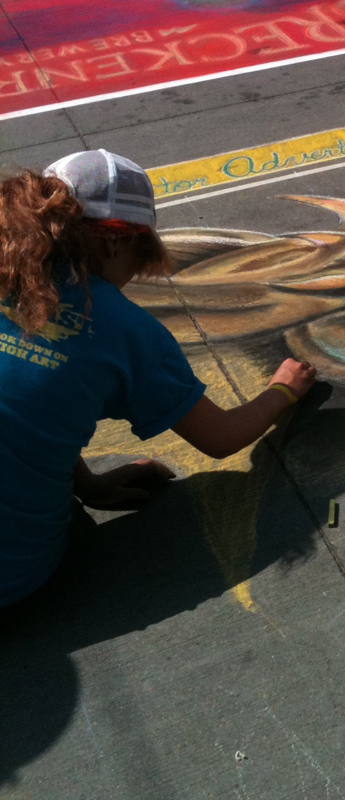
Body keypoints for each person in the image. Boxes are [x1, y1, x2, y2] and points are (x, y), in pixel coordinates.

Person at [0, 149, 316, 609]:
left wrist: (87, 487)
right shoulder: (121, 328)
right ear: (115, 242)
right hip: (14, 572)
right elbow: (221, 438)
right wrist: (284, 389)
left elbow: (22, 408)